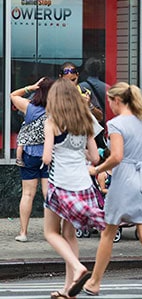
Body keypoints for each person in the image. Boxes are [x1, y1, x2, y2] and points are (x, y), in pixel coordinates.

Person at [81, 82, 142, 299]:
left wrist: (97, 169)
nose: (109, 105)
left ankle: (95, 282)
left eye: (110, 100)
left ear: (118, 100)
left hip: (125, 179)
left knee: (108, 233)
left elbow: (117, 156)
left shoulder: (116, 124)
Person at [42, 79, 105, 299]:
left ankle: (78, 268)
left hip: (60, 185)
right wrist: (81, 154)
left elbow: (47, 157)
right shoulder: (85, 119)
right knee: (69, 234)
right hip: (82, 185)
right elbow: (96, 158)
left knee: (50, 232)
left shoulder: (52, 122)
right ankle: (69, 290)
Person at [10, 76, 54, 242]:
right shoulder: (57, 109)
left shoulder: (29, 107)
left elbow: (13, 95)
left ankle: (23, 232)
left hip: (29, 154)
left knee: (27, 194)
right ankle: (53, 233)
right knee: (48, 194)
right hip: (49, 156)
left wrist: (31, 87)